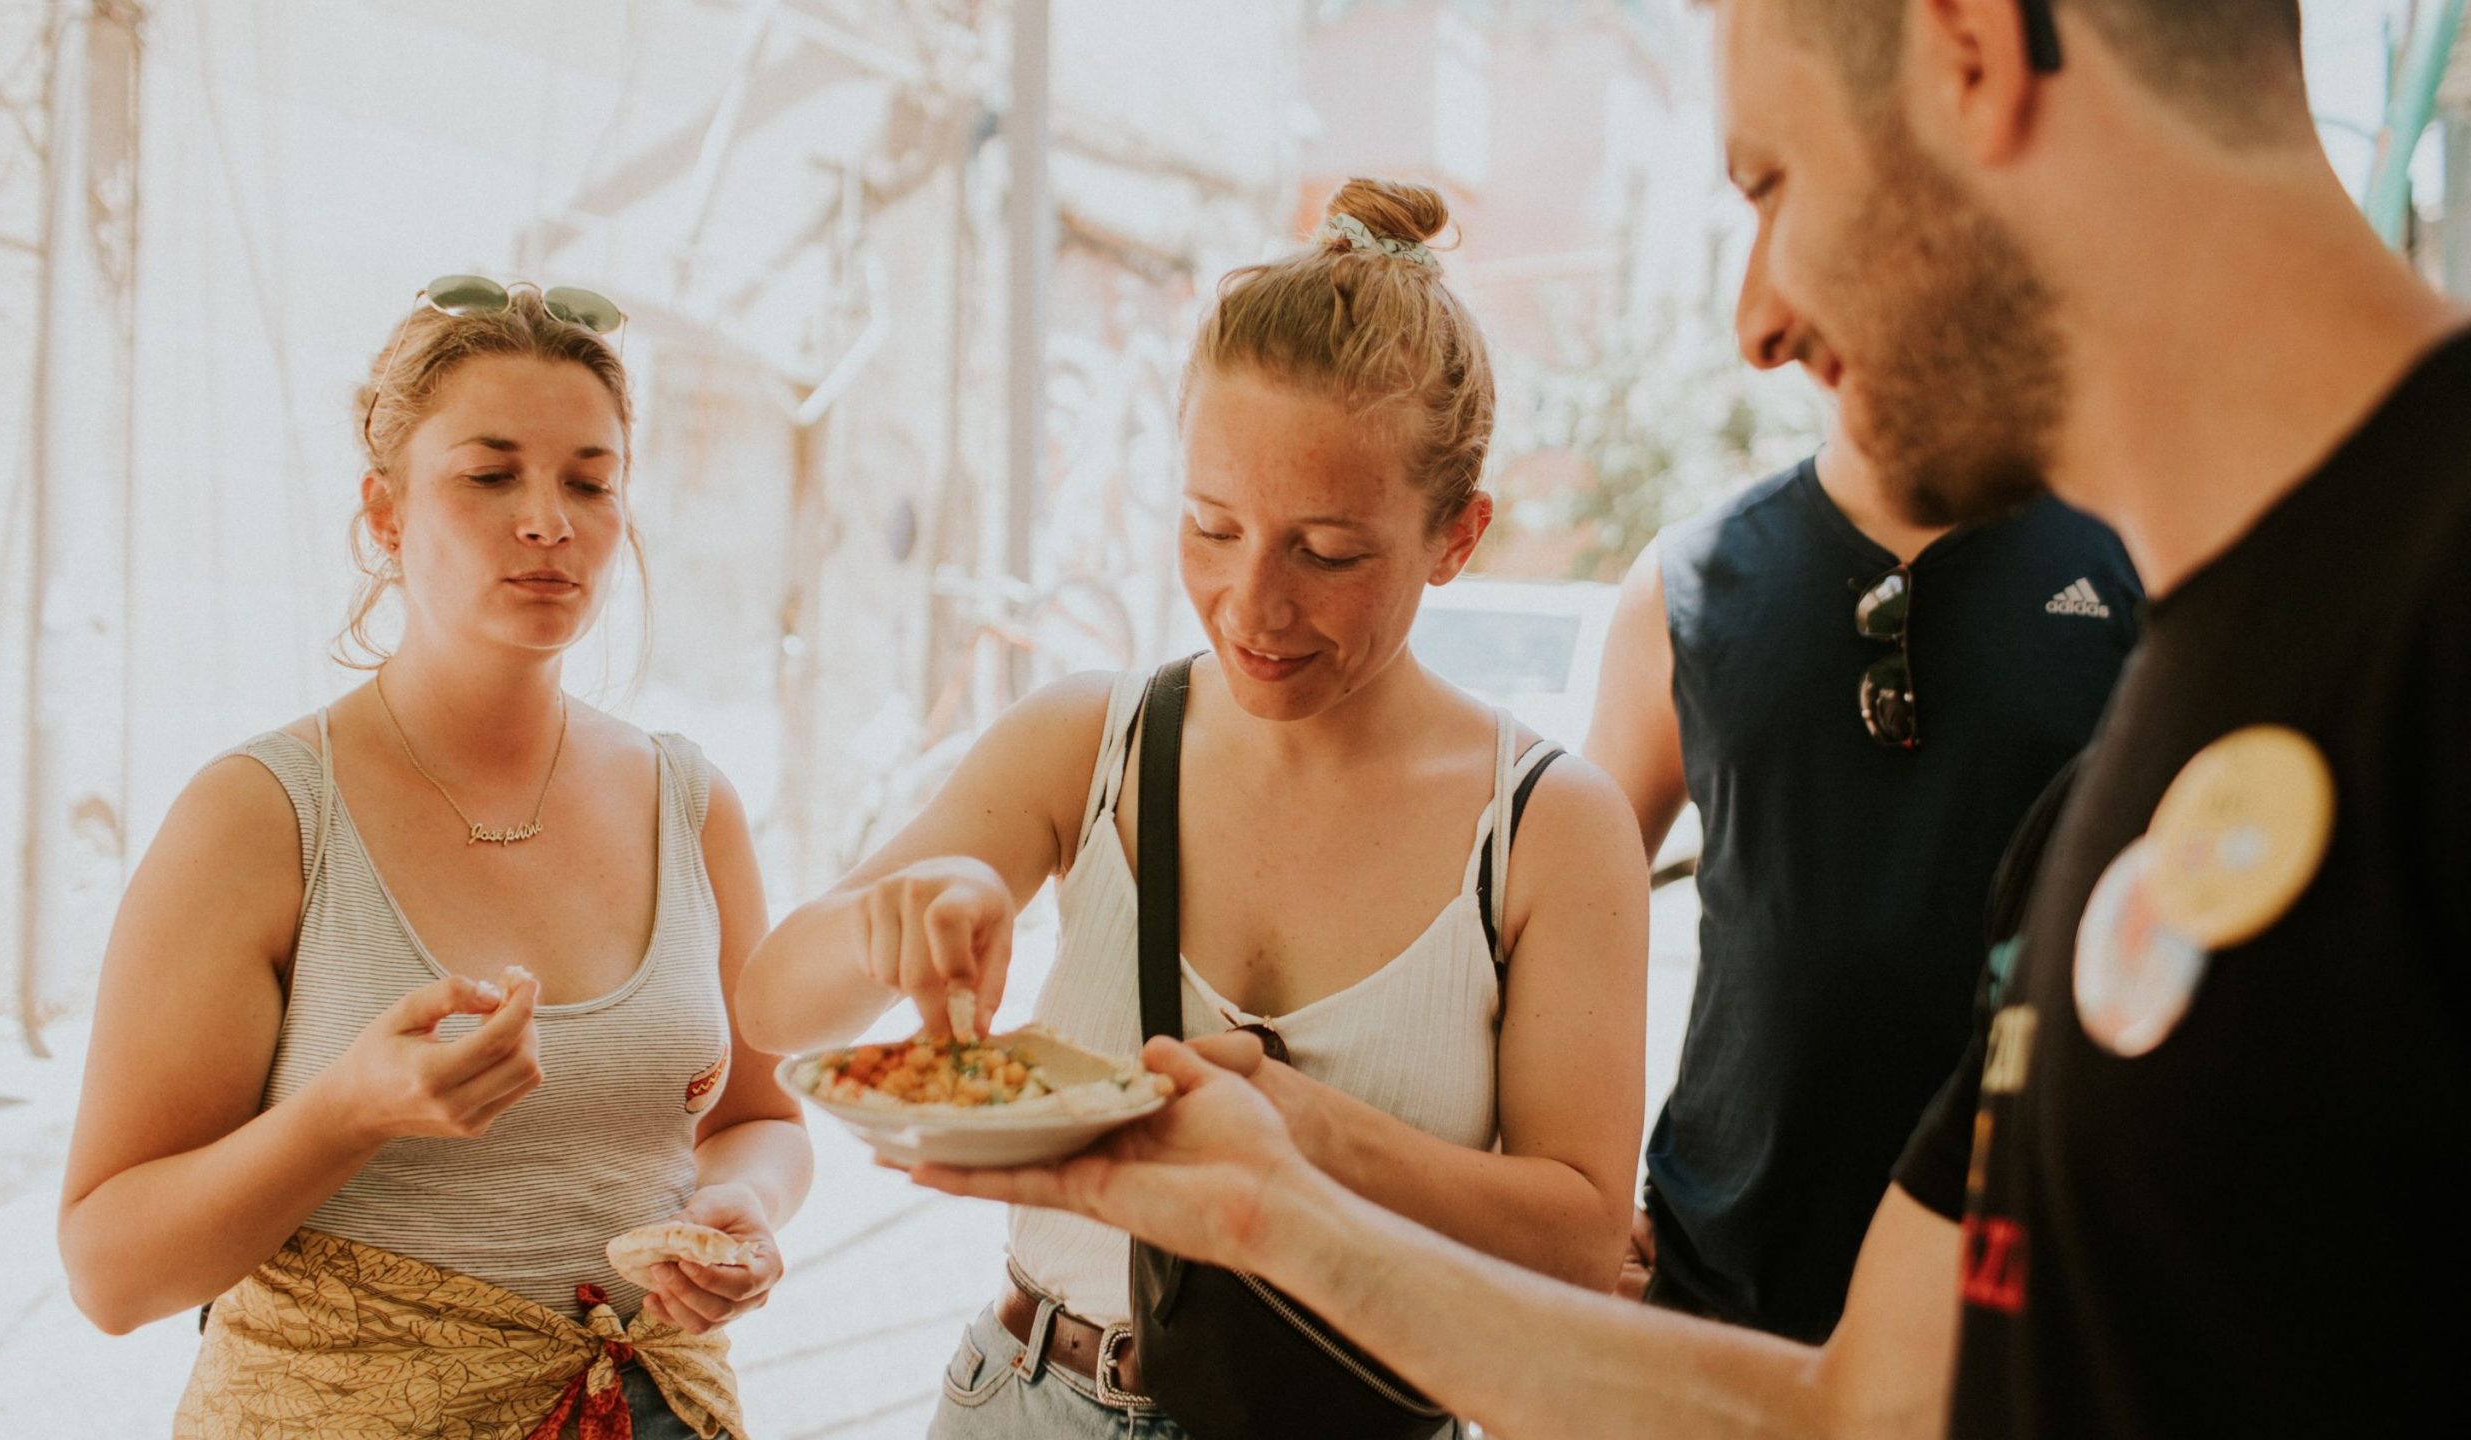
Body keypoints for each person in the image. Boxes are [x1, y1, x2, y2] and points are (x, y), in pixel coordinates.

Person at [911, 1, 2471, 1435]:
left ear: (1974, 55)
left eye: (1771, 182)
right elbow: (1871, 1408)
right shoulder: (2148, 748)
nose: (1759, 322)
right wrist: (1269, 1211)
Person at [736, 179, 1650, 1439]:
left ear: (1459, 536)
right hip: (1033, 1400)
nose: (1250, 607)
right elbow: (779, 1005)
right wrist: (893, 921)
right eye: (1211, 527)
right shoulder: (1091, 740)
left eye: (1327, 552)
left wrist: (1303, 1128)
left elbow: (1580, 1243)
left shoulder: (1547, 826)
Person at [57, 280, 813, 1438]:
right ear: (386, 514)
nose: (549, 520)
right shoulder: (257, 817)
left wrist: (742, 1212)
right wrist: (343, 1115)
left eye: (591, 481)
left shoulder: (692, 803)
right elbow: (112, 1275)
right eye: (490, 473)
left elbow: (763, 1119)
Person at [1587, 408, 2138, 1340]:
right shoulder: (1688, 580)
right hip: (1723, 1287)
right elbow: (1575, 917)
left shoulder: (2132, 563)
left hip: (2031, 1292)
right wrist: (1587, 1207)